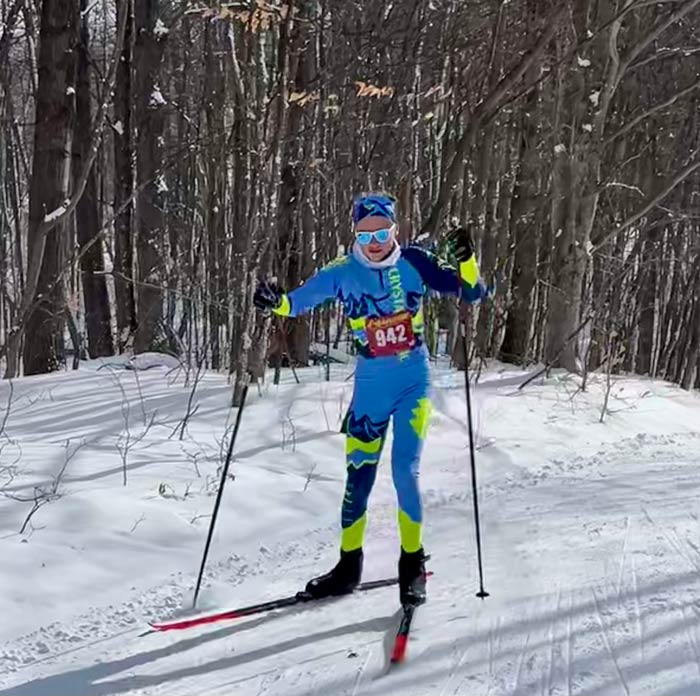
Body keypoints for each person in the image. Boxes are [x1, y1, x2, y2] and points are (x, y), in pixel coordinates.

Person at [253, 192, 487, 607]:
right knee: (357, 479)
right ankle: (347, 567)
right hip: (369, 390)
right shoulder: (341, 272)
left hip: (412, 384)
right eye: (365, 235)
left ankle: (411, 566)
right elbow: (298, 302)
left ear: (395, 230)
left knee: (403, 471)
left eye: (382, 232)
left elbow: (472, 293)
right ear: (354, 236)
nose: (374, 241)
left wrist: (467, 259)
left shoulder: (414, 262)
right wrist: (275, 300)